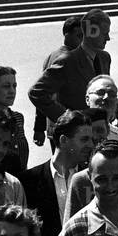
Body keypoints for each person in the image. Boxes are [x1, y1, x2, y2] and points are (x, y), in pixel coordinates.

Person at [21, 109, 94, 236]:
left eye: (91, 140)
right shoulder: (29, 180)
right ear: (63, 140)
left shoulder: (92, 178)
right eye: (84, 139)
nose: (90, 145)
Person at [28, 8, 112, 127]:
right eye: (104, 34)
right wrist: (68, 119)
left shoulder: (105, 58)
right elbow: (37, 93)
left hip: (99, 128)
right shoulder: (67, 61)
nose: (108, 38)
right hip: (75, 134)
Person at [32, 16, 84, 147]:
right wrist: (39, 127)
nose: (83, 40)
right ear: (67, 35)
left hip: (59, 124)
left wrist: (39, 127)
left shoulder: (54, 56)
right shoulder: (65, 59)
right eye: (79, 36)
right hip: (66, 125)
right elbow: (41, 93)